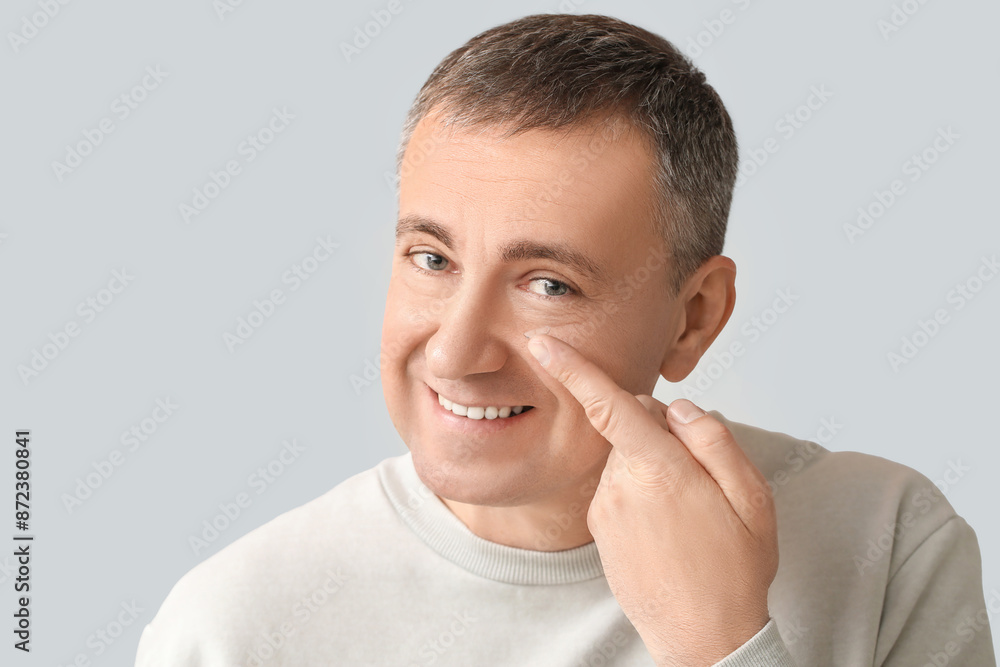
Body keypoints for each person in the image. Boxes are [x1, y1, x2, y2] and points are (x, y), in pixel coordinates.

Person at [134, 13, 996, 666]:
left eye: (547, 283)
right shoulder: (233, 626)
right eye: (431, 258)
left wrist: (719, 639)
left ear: (694, 316)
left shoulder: (888, 545)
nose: (454, 351)